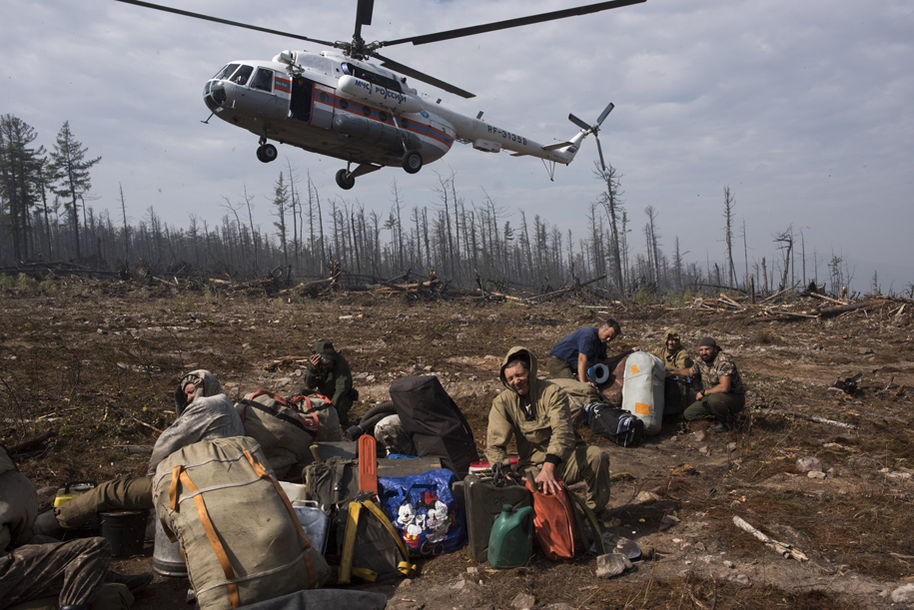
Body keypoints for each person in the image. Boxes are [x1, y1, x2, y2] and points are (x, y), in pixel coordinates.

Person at [44, 370, 243, 533]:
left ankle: (51, 522)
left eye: (192, 391)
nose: (189, 398)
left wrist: (153, 477)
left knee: (108, 492)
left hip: (199, 481)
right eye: (186, 395)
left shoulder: (206, 405)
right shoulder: (226, 404)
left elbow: (166, 442)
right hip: (222, 477)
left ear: (204, 387)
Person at [1, 444, 146, 610]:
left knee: (43, 543)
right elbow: (23, 531)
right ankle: (74, 604)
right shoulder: (12, 482)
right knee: (94, 548)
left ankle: (106, 576)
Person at [486, 346, 610, 512]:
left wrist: (549, 467)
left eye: (519, 375)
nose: (516, 381)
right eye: (511, 378)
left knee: (597, 456)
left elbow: (562, 431)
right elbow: (494, 444)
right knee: (542, 503)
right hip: (532, 466)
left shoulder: (552, 393)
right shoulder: (502, 402)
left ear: (530, 372)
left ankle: (593, 513)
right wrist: (503, 469)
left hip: (564, 460)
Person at [671, 337, 745, 428]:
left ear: (714, 349)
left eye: (707, 349)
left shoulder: (723, 361)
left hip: (733, 397)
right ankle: (716, 418)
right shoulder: (701, 360)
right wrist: (673, 372)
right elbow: (690, 371)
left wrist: (704, 392)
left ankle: (727, 424)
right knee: (689, 414)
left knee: (714, 400)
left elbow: (725, 387)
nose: (704, 352)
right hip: (710, 396)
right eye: (701, 350)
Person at [296, 339, 357, 425]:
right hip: (322, 394)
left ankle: (342, 423)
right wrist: (312, 370)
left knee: (338, 410)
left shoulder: (340, 363)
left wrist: (330, 408)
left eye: (329, 363)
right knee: (300, 393)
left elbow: (341, 389)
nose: (326, 365)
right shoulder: (315, 363)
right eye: (324, 363)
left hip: (340, 397)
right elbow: (309, 385)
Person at [545, 319, 621, 384]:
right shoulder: (588, 335)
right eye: (608, 336)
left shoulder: (602, 344)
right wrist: (583, 383)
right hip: (558, 363)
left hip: (574, 367)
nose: (608, 340)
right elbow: (582, 359)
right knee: (576, 388)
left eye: (611, 338)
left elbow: (603, 362)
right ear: (602, 328)